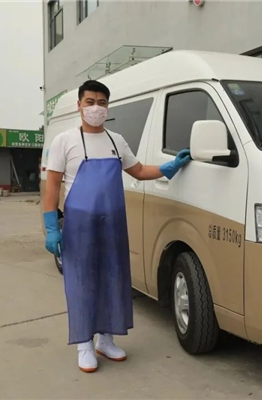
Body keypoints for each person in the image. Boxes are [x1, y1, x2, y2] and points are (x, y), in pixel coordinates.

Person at [42, 80, 191, 373]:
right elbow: (52, 187)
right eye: (90, 102)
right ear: (79, 105)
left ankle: (106, 339)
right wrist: (51, 227)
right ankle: (84, 343)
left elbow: (138, 170)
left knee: (113, 278)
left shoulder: (116, 141)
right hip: (80, 225)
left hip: (113, 224)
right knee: (83, 281)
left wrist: (169, 167)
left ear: (108, 107)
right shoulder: (64, 141)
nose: (96, 108)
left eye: (101, 102)